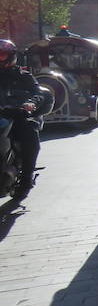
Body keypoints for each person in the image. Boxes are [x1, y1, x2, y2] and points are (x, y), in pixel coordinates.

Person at [0, 40, 44, 201]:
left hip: (17, 116)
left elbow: (37, 92)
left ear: (11, 57)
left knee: (30, 136)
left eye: (2, 55)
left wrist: (31, 103)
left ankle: (26, 179)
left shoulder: (23, 76)